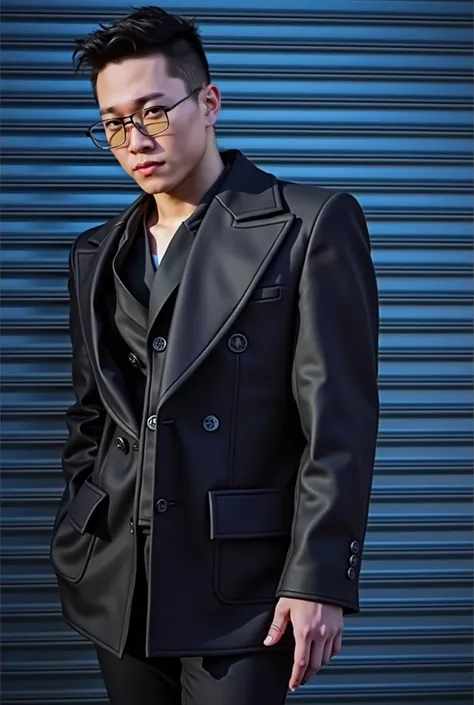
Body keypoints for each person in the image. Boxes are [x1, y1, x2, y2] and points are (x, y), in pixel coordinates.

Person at [49, 6, 380, 704]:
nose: (134, 139)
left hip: (244, 590)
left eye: (153, 112)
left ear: (209, 101)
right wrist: (79, 526)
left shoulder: (309, 224)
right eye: (113, 122)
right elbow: (90, 416)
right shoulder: (94, 252)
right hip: (118, 580)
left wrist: (317, 576)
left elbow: (338, 423)